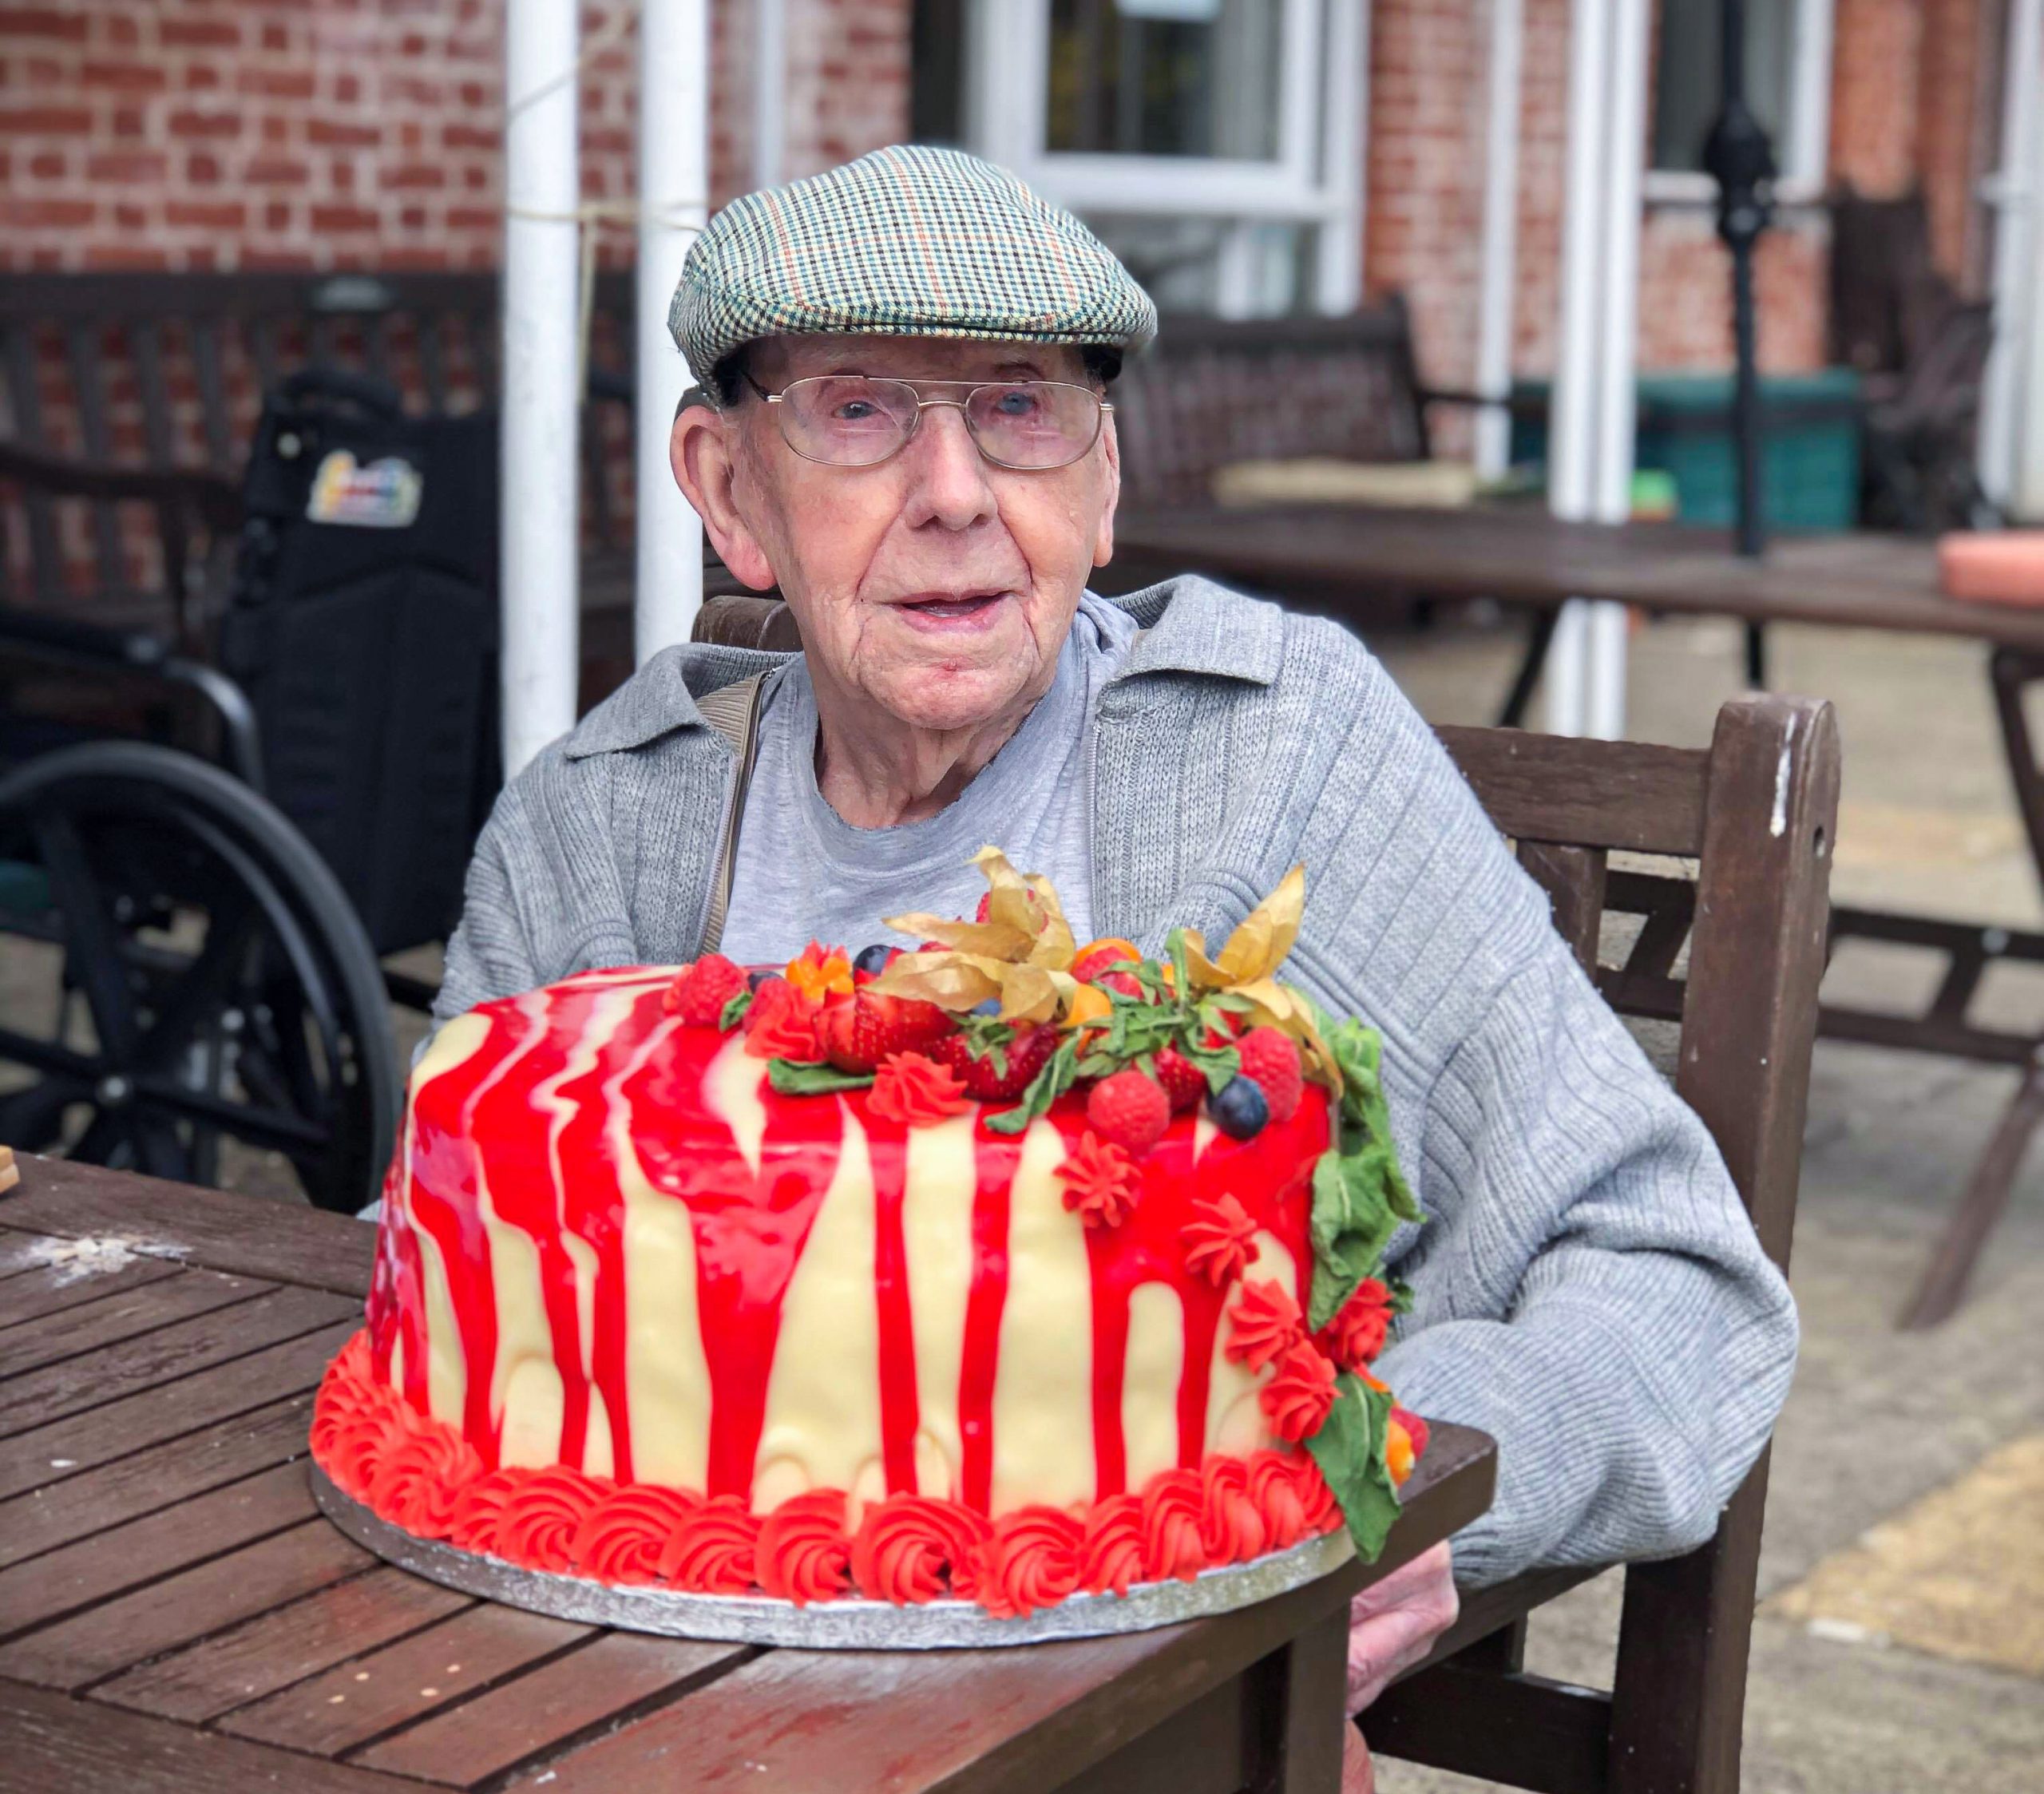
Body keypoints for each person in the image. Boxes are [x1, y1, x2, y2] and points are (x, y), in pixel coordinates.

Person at [437, 145, 1796, 1790]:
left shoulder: (1276, 763)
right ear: (728, 491)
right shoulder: (598, 830)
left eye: (1019, 408)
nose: (953, 490)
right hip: (612, 1709)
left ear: (1098, 477)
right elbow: (445, 1296)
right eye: (859, 410)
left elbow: (1677, 1282)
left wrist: (1385, 1479)